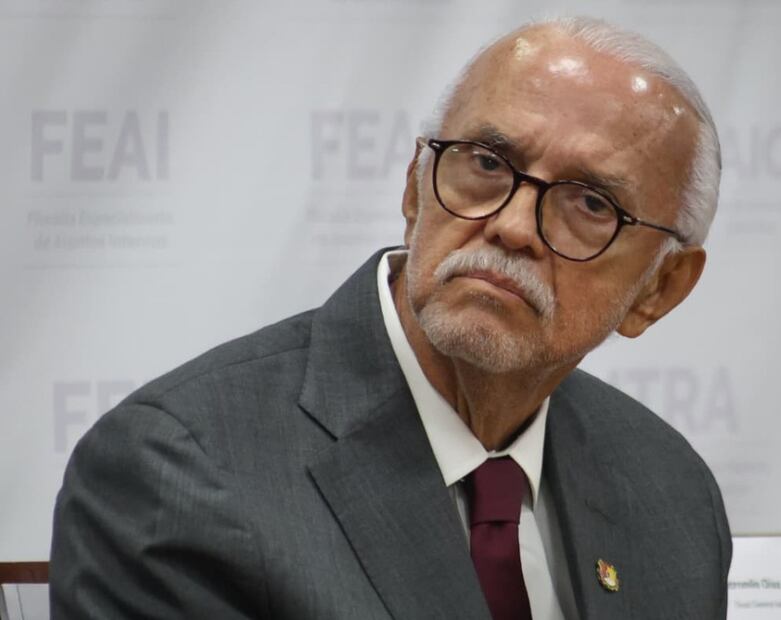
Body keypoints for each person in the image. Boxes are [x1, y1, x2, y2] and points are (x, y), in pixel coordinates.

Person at [51, 15, 730, 620]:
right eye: (488, 163)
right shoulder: (180, 475)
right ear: (414, 188)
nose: (513, 226)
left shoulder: (671, 492)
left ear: (660, 289)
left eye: (590, 205)